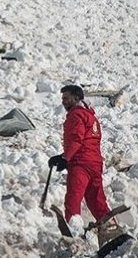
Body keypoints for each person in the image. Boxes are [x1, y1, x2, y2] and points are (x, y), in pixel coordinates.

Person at [48, 85, 124, 245]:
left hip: (80, 163)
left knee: (73, 199)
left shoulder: (76, 115)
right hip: (95, 163)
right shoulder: (91, 117)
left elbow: (76, 139)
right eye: (62, 99)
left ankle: (73, 235)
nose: (63, 102)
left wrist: (66, 158)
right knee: (97, 201)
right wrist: (62, 157)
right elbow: (88, 141)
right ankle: (112, 231)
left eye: (66, 98)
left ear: (77, 98)